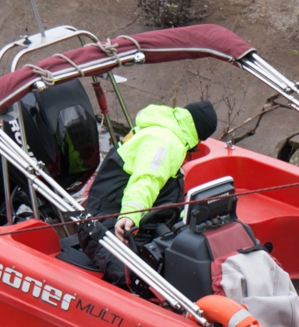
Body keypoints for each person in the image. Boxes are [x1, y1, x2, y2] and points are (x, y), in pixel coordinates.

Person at [79, 100, 217, 286]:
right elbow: (146, 180)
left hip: (138, 225)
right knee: (136, 281)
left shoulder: (168, 130)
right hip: (106, 226)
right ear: (199, 136)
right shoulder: (165, 142)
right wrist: (130, 215)